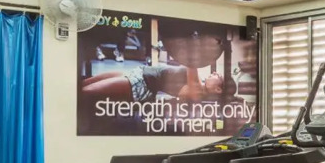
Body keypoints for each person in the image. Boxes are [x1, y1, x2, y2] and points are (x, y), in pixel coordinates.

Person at [81, 63, 233, 105]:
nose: (214, 73)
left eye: (217, 76)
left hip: (141, 84)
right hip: (138, 73)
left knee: (85, 91)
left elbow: (191, 59)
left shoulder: (198, 91)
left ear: (218, 89)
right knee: (81, 85)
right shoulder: (198, 83)